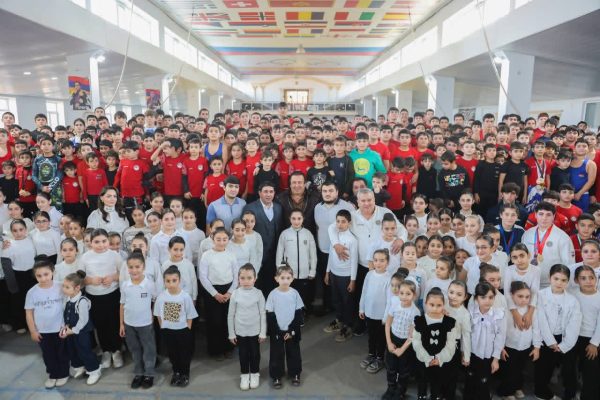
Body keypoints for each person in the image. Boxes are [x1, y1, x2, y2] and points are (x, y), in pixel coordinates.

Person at [534, 264, 581, 400]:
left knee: (569, 368)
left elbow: (574, 324)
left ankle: (570, 394)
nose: (559, 283)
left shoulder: (572, 300)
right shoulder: (540, 295)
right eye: (556, 279)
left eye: (563, 280)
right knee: (543, 366)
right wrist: (550, 342)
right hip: (545, 337)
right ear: (550, 278)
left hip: (565, 338)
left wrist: (564, 345)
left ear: (568, 281)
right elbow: (540, 319)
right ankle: (541, 392)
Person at [79, 228, 123, 370]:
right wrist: (91, 280)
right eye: (97, 242)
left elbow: (123, 273)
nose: (101, 245)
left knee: (114, 323)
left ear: (108, 241)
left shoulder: (114, 255)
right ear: (90, 243)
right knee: (101, 325)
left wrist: (113, 277)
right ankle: (106, 351)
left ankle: (116, 350)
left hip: (112, 295)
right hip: (94, 297)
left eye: (104, 241)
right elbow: (80, 279)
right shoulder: (85, 258)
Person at [24, 257, 69, 389]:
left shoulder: (61, 286)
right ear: (35, 276)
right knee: (48, 354)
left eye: (46, 274)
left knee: (62, 352)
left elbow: (70, 305)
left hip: (60, 328)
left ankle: (64, 373)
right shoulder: (32, 292)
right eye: (39, 276)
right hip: (43, 330)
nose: (43, 278)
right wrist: (33, 331)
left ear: (52, 272)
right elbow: (29, 313)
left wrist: (68, 325)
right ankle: (53, 374)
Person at [154, 265, 198, 387]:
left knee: (184, 353)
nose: (171, 284)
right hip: (168, 331)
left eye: (174, 280)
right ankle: (176, 372)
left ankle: (185, 374)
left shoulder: (185, 296)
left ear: (179, 280)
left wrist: (188, 328)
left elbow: (190, 315)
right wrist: (163, 327)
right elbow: (158, 314)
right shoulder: (161, 297)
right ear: (164, 282)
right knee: (173, 353)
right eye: (168, 281)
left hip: (183, 330)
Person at [198, 227, 238, 360]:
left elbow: (236, 276)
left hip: (228, 290)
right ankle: (215, 350)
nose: (221, 242)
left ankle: (228, 347)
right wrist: (215, 294)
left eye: (224, 239)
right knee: (214, 321)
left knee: (227, 319)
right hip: (212, 291)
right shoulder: (207, 255)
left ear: (228, 240)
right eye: (218, 239)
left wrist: (230, 292)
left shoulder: (231, 255)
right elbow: (203, 277)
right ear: (212, 239)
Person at [314, 182, 354, 315]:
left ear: (337, 192)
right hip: (323, 251)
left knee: (342, 285)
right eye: (324, 191)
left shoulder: (347, 206)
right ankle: (330, 307)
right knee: (326, 281)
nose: (327, 193)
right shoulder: (317, 207)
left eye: (331, 190)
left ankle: (344, 314)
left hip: (341, 252)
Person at [412, 287, 458, 400]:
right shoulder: (420, 321)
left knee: (437, 381)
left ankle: (435, 396)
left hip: (440, 360)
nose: (435, 308)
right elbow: (416, 342)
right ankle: (422, 395)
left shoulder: (449, 323)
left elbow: (451, 344)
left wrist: (440, 358)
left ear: (443, 305)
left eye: (439, 305)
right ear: (426, 304)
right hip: (423, 359)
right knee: (422, 379)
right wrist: (426, 358)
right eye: (431, 305)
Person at [119, 252, 157, 389]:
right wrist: (121, 324)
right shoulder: (125, 285)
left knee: (148, 349)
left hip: (145, 324)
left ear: (143, 267)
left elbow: (156, 300)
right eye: (131, 267)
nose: (134, 270)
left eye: (137, 267)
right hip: (129, 324)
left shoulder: (149, 284)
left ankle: (149, 374)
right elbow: (122, 304)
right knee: (134, 349)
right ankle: (138, 373)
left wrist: (153, 315)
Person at [227, 264, 267, 391]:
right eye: (242, 278)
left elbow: (263, 314)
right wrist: (231, 333)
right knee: (243, 354)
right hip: (241, 331)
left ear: (255, 278)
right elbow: (231, 315)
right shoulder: (235, 294)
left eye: (249, 278)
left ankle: (255, 374)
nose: (246, 281)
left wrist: (263, 332)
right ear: (238, 279)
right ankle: (244, 375)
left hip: (255, 331)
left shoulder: (258, 294)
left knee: (255, 353)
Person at [464, 282, 506, 400]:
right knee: (470, 379)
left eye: (490, 297)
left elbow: (500, 338)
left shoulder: (499, 315)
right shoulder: (471, 313)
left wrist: (496, 359)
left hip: (488, 356)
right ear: (476, 298)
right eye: (483, 297)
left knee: (484, 382)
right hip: (471, 354)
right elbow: (465, 335)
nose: (487, 300)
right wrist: (464, 354)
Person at [498, 281, 539, 400]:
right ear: (512, 295)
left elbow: (537, 329)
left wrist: (536, 347)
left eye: (527, 297)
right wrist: (501, 347)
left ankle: (517, 387)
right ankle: (506, 392)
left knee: (520, 368)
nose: (524, 300)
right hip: (509, 346)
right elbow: (501, 330)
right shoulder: (507, 310)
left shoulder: (532, 311)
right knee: (509, 370)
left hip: (525, 346)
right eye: (520, 296)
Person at [266, 264, 304, 389]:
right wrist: (277, 331)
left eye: (288, 278)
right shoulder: (272, 294)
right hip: (277, 331)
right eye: (282, 278)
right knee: (276, 354)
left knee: (294, 353)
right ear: (276, 278)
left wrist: (291, 330)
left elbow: (298, 314)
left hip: (292, 331)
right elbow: (270, 315)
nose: (285, 281)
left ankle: (295, 373)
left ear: (292, 279)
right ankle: (276, 375)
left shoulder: (295, 293)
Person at [61, 270, 102, 385]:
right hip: (70, 331)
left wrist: (74, 330)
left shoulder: (82, 301)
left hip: (81, 331)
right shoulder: (68, 299)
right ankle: (81, 367)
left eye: (67, 287)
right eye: (64, 286)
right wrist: (65, 326)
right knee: (73, 350)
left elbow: (83, 320)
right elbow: (67, 314)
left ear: (77, 288)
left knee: (84, 350)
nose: (64, 289)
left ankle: (94, 370)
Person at [242, 182, 283, 296]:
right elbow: (244, 231)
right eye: (265, 191)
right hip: (255, 254)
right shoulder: (250, 207)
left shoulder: (278, 208)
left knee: (271, 284)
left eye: (271, 192)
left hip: (273, 254)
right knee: (256, 284)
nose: (268, 194)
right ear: (259, 193)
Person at [522, 202, 575, 289]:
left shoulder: (562, 237)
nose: (544, 218)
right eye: (541, 214)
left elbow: (569, 264)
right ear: (535, 215)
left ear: (554, 216)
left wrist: (565, 287)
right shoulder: (527, 234)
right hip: (529, 282)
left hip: (552, 285)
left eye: (548, 215)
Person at [383, 278, 419, 400]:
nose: (404, 296)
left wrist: (402, 349)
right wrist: (389, 343)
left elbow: (412, 335)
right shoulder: (395, 306)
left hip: (405, 344)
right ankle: (391, 387)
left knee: (404, 370)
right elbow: (388, 324)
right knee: (391, 367)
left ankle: (400, 391)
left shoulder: (415, 312)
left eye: (408, 294)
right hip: (393, 339)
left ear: (414, 295)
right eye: (401, 293)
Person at [275, 209, 317, 310]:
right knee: (289, 296)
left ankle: (302, 313)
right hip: (289, 274)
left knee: (303, 296)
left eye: (299, 218)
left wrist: (312, 271)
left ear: (303, 219)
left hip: (304, 273)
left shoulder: (308, 234)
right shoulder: (285, 234)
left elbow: (313, 255)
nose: (296, 221)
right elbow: (279, 254)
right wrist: (280, 271)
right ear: (290, 219)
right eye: (293, 218)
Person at [359, 249, 391, 374]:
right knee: (371, 336)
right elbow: (364, 292)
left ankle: (380, 358)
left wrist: (385, 317)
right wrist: (362, 308)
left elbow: (390, 300)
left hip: (381, 316)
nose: (378, 263)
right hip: (369, 313)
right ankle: (371, 354)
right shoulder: (369, 275)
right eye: (376, 260)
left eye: (382, 260)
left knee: (381, 338)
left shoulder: (389, 278)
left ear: (387, 262)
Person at [573, 265, 600, 400]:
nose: (588, 281)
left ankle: (588, 396)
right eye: (583, 278)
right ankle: (571, 392)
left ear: (596, 279)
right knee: (571, 368)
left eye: (591, 278)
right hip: (573, 337)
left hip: (592, 339)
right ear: (576, 281)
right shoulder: (573, 295)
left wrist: (594, 343)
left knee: (591, 370)